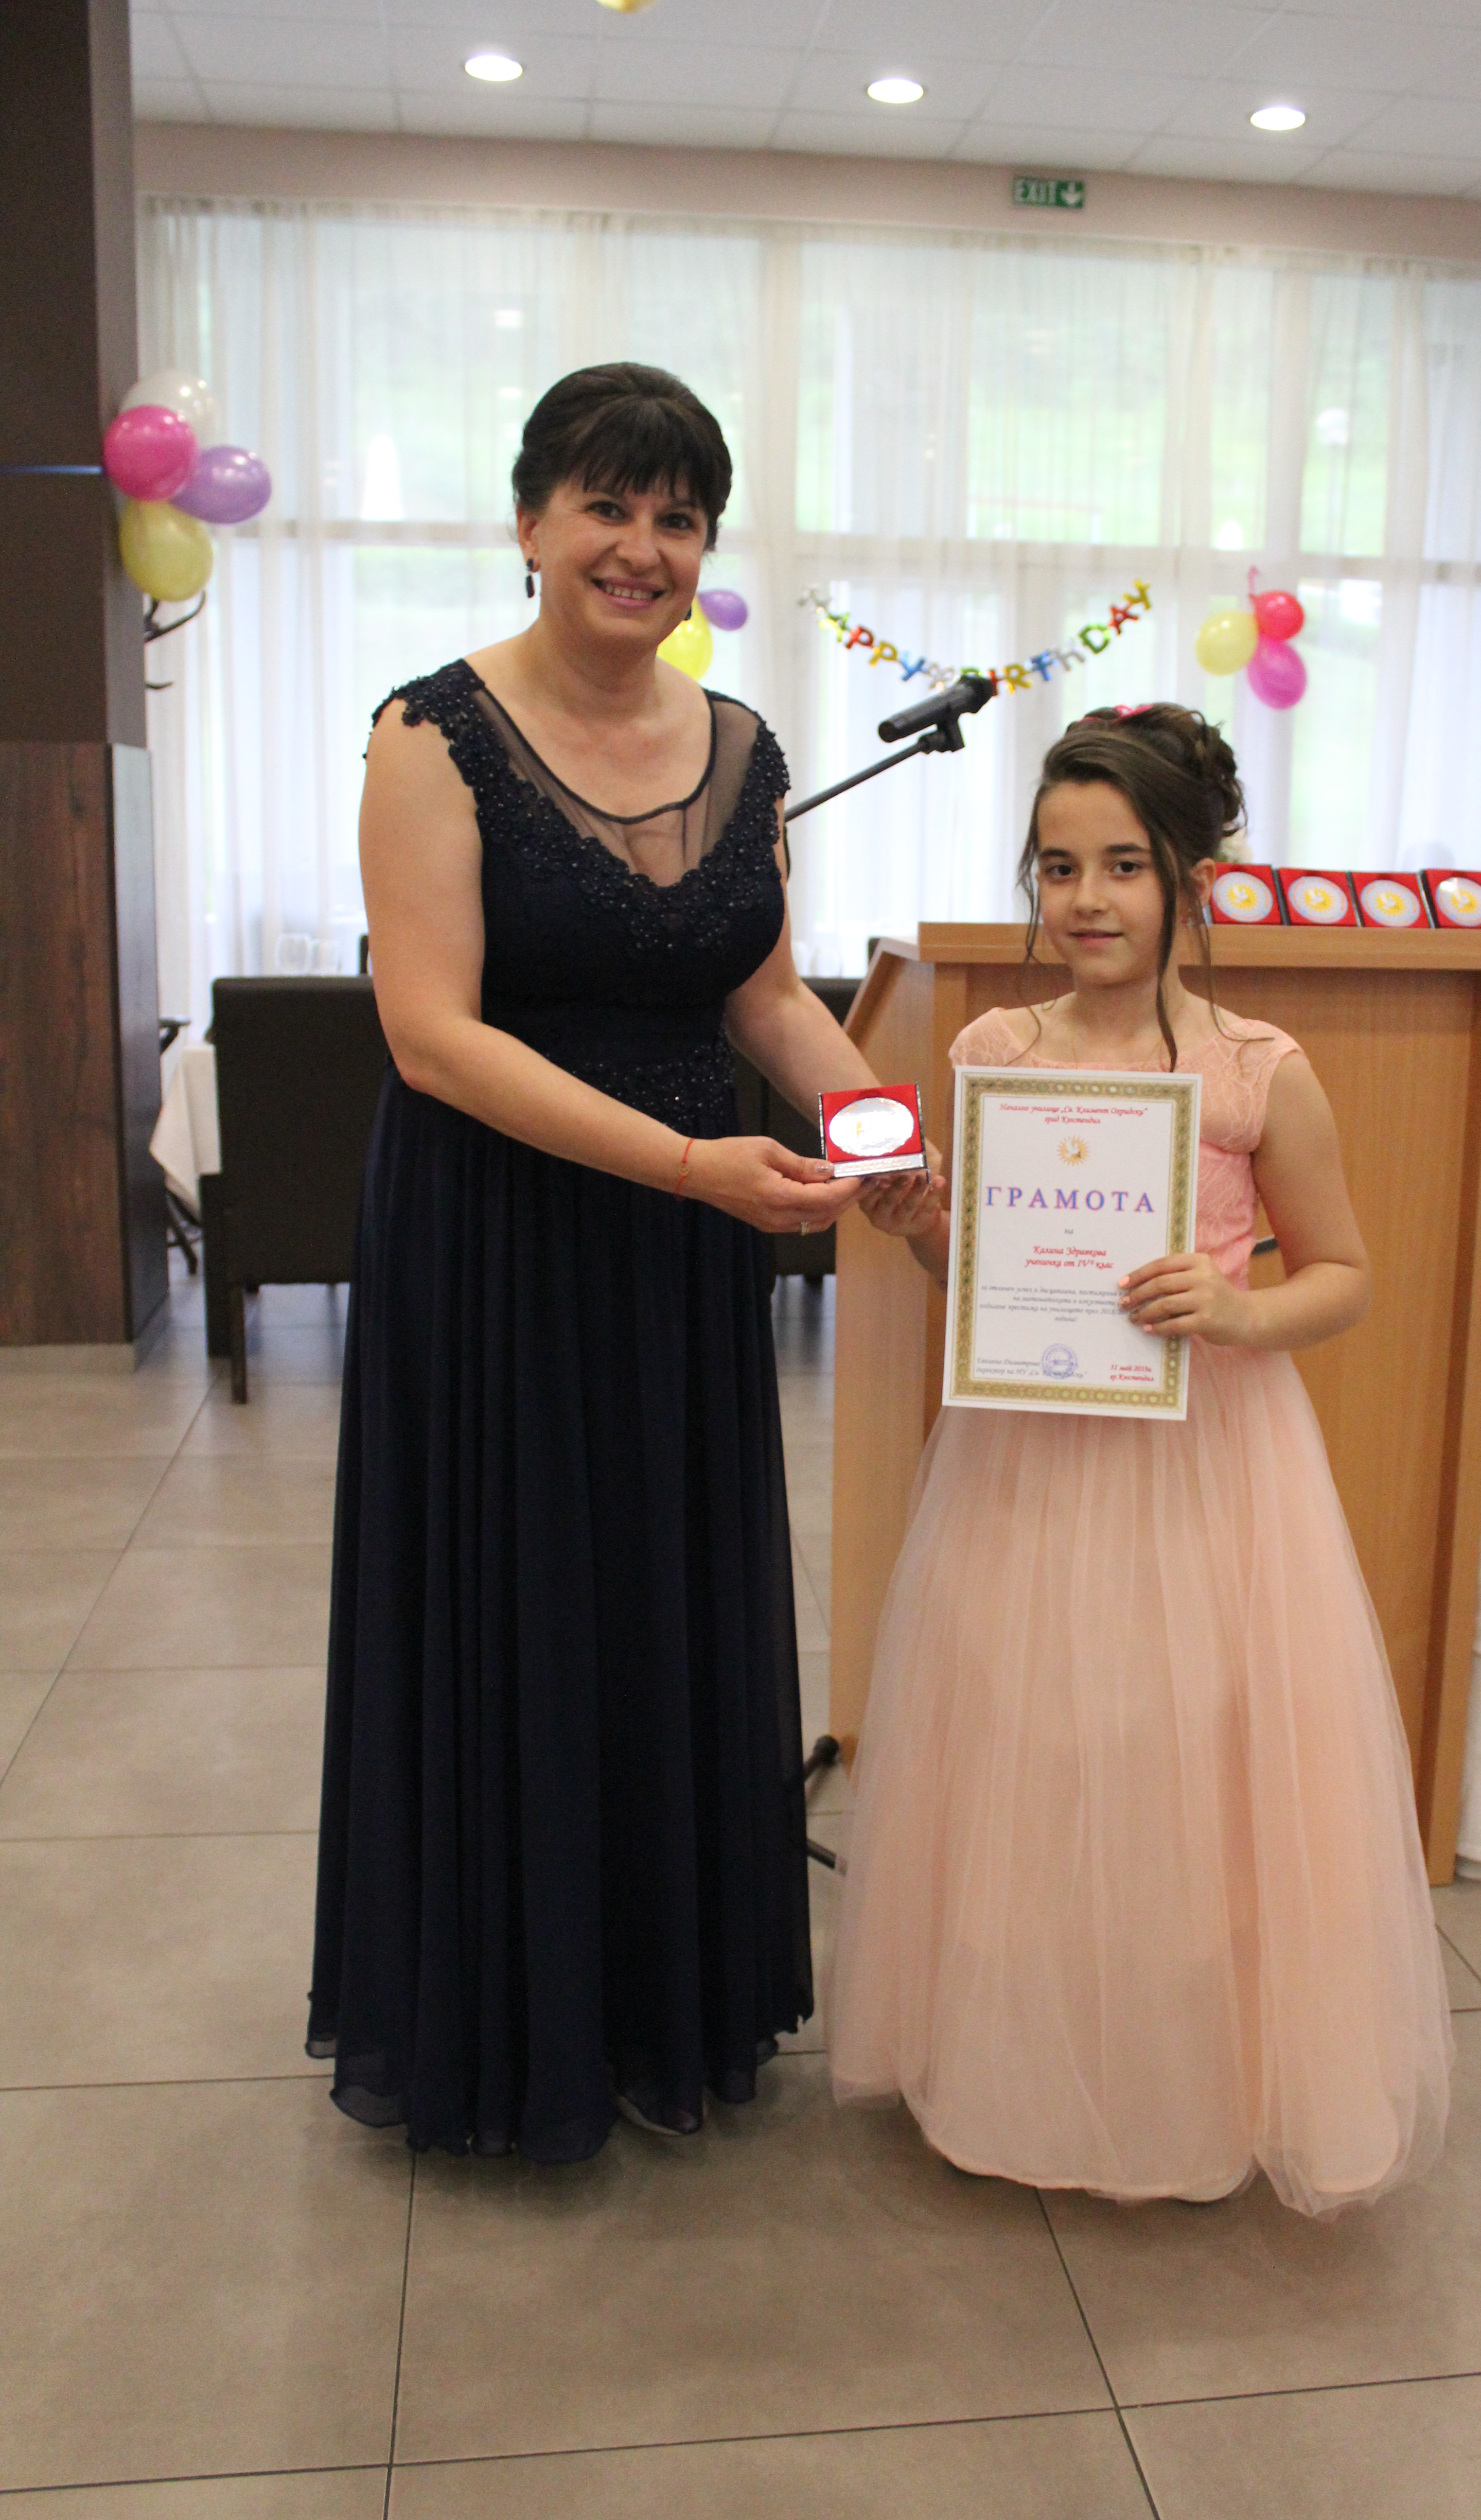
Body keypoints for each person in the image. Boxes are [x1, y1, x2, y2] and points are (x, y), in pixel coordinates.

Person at [309, 362, 922, 2160]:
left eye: (678, 517)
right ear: (530, 522)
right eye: (607, 506)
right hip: (499, 1235)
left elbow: (763, 993)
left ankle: (665, 2002)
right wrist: (687, 1165)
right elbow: (430, 1035)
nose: (642, 547)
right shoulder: (430, 734)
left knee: (662, 1596)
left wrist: (882, 1137)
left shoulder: (743, 747)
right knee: (522, 1601)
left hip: (679, 1249)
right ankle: (515, 2030)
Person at [831, 707, 1452, 2218]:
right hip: (1031, 1453)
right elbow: (989, 1274)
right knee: (1031, 1741)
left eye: (1123, 865)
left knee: (1186, 1753)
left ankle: (1188, 2076)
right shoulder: (995, 1051)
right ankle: (1019, 2063)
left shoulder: (1256, 1071)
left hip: (1209, 1458)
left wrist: (1237, 1310)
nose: (1087, 899)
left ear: (1191, 879)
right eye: (1059, 867)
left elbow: (1345, 1274)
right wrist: (924, 1233)